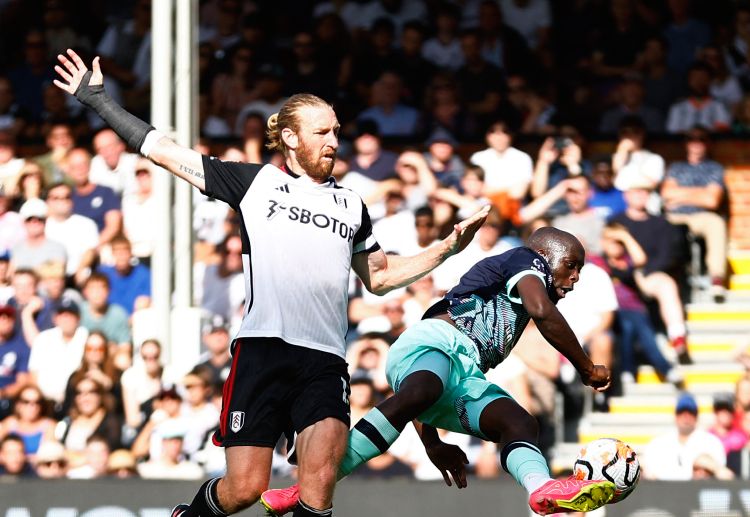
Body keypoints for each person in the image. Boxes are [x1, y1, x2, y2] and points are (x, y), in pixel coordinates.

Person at [54, 49, 487, 517]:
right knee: (245, 488)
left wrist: (444, 250)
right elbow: (162, 150)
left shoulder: (351, 204)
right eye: (322, 131)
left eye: (337, 131)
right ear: (289, 137)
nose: (333, 140)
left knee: (319, 484)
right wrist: (98, 102)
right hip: (263, 350)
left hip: (324, 359)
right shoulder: (253, 184)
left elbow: (379, 278)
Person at [261, 227, 614, 516]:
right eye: (571, 265)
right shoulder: (526, 259)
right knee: (422, 390)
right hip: (431, 341)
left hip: (461, 372)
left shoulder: (522, 290)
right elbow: (541, 310)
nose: (576, 277)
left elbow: (429, 390)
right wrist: (586, 368)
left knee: (520, 424)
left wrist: (432, 443)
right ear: (547, 256)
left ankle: (542, 490)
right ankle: (310, 481)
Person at [641, 392, 726, 481]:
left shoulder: (711, 442)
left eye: (690, 412)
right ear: (676, 415)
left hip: (697, 491)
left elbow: (722, 473)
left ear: (696, 416)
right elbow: (647, 471)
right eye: (681, 412)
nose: (686, 417)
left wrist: (707, 466)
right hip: (664, 492)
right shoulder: (658, 444)